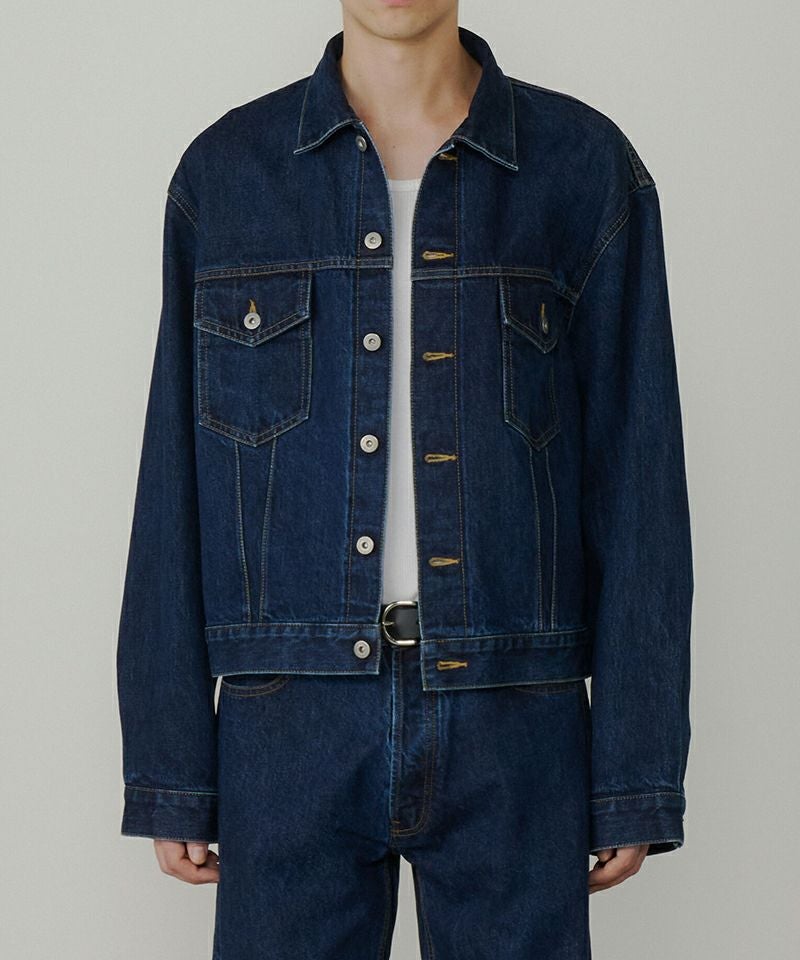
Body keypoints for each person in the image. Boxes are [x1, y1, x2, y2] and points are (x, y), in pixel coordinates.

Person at [116, 3, 693, 957]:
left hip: (515, 713)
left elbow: (640, 481)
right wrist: (168, 758)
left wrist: (636, 766)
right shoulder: (229, 174)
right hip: (288, 718)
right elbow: (173, 476)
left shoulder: (583, 168)